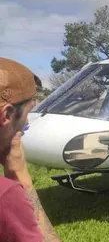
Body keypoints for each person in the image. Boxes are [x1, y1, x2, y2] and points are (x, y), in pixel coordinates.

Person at [0, 57, 61, 241]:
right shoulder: (5, 195)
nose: (26, 122)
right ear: (7, 115)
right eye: (27, 114)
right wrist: (22, 178)